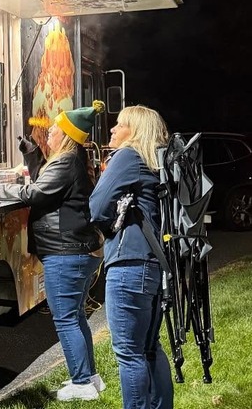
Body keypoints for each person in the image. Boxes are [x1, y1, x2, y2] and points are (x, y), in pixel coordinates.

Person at [0, 101, 106, 401]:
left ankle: (82, 383)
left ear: (66, 136)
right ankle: (90, 378)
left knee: (66, 318)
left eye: (55, 130)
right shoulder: (72, 160)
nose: (50, 134)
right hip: (78, 250)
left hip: (67, 253)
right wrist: (32, 155)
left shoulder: (66, 161)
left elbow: (38, 193)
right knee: (76, 315)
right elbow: (47, 184)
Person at [89, 105, 174, 409]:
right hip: (154, 266)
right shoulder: (154, 162)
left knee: (129, 352)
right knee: (150, 348)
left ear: (134, 131)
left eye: (119, 125)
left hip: (128, 266)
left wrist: (110, 225)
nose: (112, 130)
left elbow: (97, 205)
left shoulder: (128, 156)